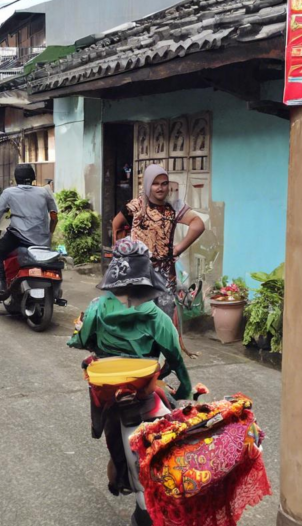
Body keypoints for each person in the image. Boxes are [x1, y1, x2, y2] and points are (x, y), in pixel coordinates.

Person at [68, 238, 192, 495]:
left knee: (112, 442)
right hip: (145, 387)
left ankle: (115, 477)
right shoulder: (158, 315)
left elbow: (79, 340)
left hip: (110, 390)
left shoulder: (95, 309)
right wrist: (183, 391)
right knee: (173, 427)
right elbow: (176, 360)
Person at [111, 164, 205, 355]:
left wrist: (178, 248)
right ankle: (137, 363)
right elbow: (117, 224)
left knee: (163, 322)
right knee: (138, 320)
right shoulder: (136, 206)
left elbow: (198, 225)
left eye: (164, 183)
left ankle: (155, 366)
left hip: (165, 277)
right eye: (155, 184)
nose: (161, 188)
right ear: (147, 184)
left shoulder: (174, 206)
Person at [0, 164, 58, 300]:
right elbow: (54, 216)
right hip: (42, 239)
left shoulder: (9, 193)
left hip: (18, 237)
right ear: (33, 178)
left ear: (16, 178)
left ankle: (0, 288)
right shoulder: (45, 192)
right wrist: (49, 235)